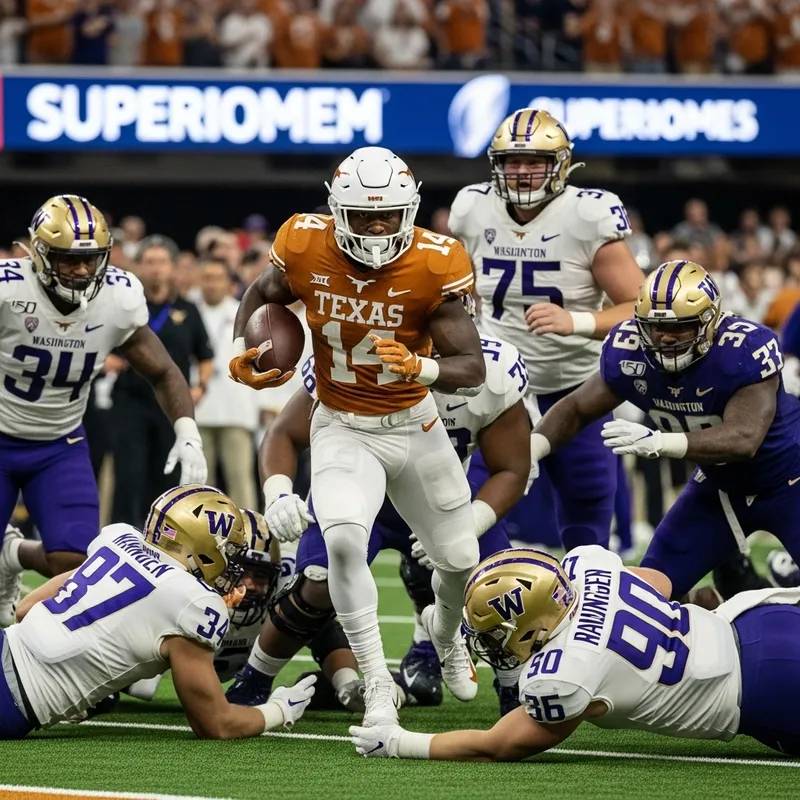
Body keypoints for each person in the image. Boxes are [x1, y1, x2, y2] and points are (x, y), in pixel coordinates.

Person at [229, 147, 486, 726]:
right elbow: (265, 296)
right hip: (342, 422)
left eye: (388, 215)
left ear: (410, 210)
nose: (376, 227)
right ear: (337, 210)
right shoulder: (303, 241)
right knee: (343, 542)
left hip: (415, 424)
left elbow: (472, 366)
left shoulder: (435, 261)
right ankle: (375, 684)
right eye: (364, 215)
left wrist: (419, 367)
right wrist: (245, 346)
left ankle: (445, 637)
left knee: (460, 557)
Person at [226, 332, 531, 715]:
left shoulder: (492, 368)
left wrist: (472, 522)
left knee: (502, 587)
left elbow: (512, 468)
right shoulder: (353, 353)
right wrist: (279, 492)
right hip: (356, 484)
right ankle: (255, 677)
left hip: (440, 492)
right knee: (319, 582)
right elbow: (284, 432)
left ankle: (504, 682)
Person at [351, 545, 800, 760]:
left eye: (494, 635)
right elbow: (662, 585)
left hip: (764, 690)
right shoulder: (586, 567)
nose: (492, 647)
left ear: (533, 626)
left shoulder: (562, 675)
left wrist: (399, 742)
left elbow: (498, 745)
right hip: (755, 616)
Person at [525, 259, 800, 601]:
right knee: (644, 593)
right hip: (720, 489)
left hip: (790, 481)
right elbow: (577, 408)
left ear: (709, 323)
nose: (666, 338)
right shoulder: (630, 351)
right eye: (655, 327)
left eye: (681, 327)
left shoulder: (741, 350)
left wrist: (659, 441)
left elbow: (744, 439)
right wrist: (533, 448)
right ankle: (702, 609)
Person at [0, 196, 207, 626]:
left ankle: (12, 557)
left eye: (91, 260)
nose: (81, 271)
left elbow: (165, 371)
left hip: (60, 443)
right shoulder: (8, 290)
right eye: (67, 259)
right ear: (39, 254)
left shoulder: (118, 297)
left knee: (74, 559)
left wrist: (187, 434)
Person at [449, 108, 644, 551]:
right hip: (497, 388)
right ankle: (477, 605)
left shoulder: (587, 215)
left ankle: (582, 609)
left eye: (534, 161)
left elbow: (644, 309)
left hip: (574, 387)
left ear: (561, 163)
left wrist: (575, 321)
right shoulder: (472, 209)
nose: (521, 172)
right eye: (511, 162)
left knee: (588, 507)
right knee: (468, 504)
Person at [2, 485, 316, 740]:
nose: (231, 564)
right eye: (228, 552)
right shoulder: (195, 603)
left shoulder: (119, 539)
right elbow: (217, 724)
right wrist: (279, 710)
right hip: (12, 702)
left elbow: (27, 609)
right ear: (202, 547)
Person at [125, 507, 361, 711]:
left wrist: (346, 683)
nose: (249, 584)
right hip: (151, 657)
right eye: (241, 571)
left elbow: (326, 634)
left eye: (260, 575)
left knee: (306, 616)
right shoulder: (186, 585)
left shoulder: (282, 580)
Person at [109, 236, 214, 526]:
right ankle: (121, 537)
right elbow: (101, 344)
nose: (156, 269)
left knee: (167, 474)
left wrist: (200, 387)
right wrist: (107, 361)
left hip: (170, 405)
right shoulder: (128, 305)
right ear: (139, 266)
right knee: (129, 474)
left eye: (162, 262)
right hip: (131, 400)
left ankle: (161, 542)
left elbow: (205, 354)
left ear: (172, 267)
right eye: (150, 262)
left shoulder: (187, 309)